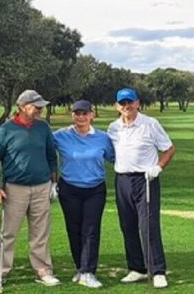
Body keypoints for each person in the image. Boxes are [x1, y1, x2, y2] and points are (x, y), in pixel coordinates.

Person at [0, 89, 60, 287]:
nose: (40, 110)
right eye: (36, 107)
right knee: (8, 233)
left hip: (42, 187)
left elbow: (51, 157)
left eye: (40, 107)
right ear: (22, 107)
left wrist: (54, 182)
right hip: (14, 189)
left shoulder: (43, 128)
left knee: (40, 233)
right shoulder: (6, 130)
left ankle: (43, 270)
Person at [107, 88, 176, 290]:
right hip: (122, 180)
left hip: (146, 180)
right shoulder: (113, 128)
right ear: (117, 106)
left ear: (138, 103)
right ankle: (136, 268)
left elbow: (169, 149)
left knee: (148, 227)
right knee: (127, 226)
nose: (126, 106)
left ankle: (158, 271)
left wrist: (158, 167)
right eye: (122, 103)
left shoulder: (150, 124)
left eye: (130, 102)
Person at [53, 100, 115, 289]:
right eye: (77, 113)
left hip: (95, 189)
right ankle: (80, 268)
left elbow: (115, 158)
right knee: (74, 230)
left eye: (84, 113)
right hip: (69, 189)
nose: (80, 117)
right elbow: (41, 147)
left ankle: (88, 272)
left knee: (90, 230)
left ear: (91, 115)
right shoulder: (60, 136)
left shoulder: (103, 138)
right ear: (72, 115)